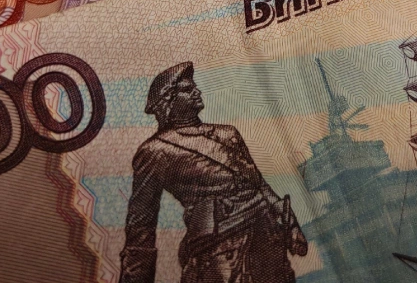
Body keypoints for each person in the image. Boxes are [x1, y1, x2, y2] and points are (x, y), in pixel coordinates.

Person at [120, 62, 308, 283]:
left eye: (194, 87)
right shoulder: (155, 151)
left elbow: (259, 185)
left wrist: (291, 224)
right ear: (168, 101)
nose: (197, 92)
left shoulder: (228, 134)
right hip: (219, 251)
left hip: (266, 236)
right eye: (187, 89)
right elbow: (141, 224)